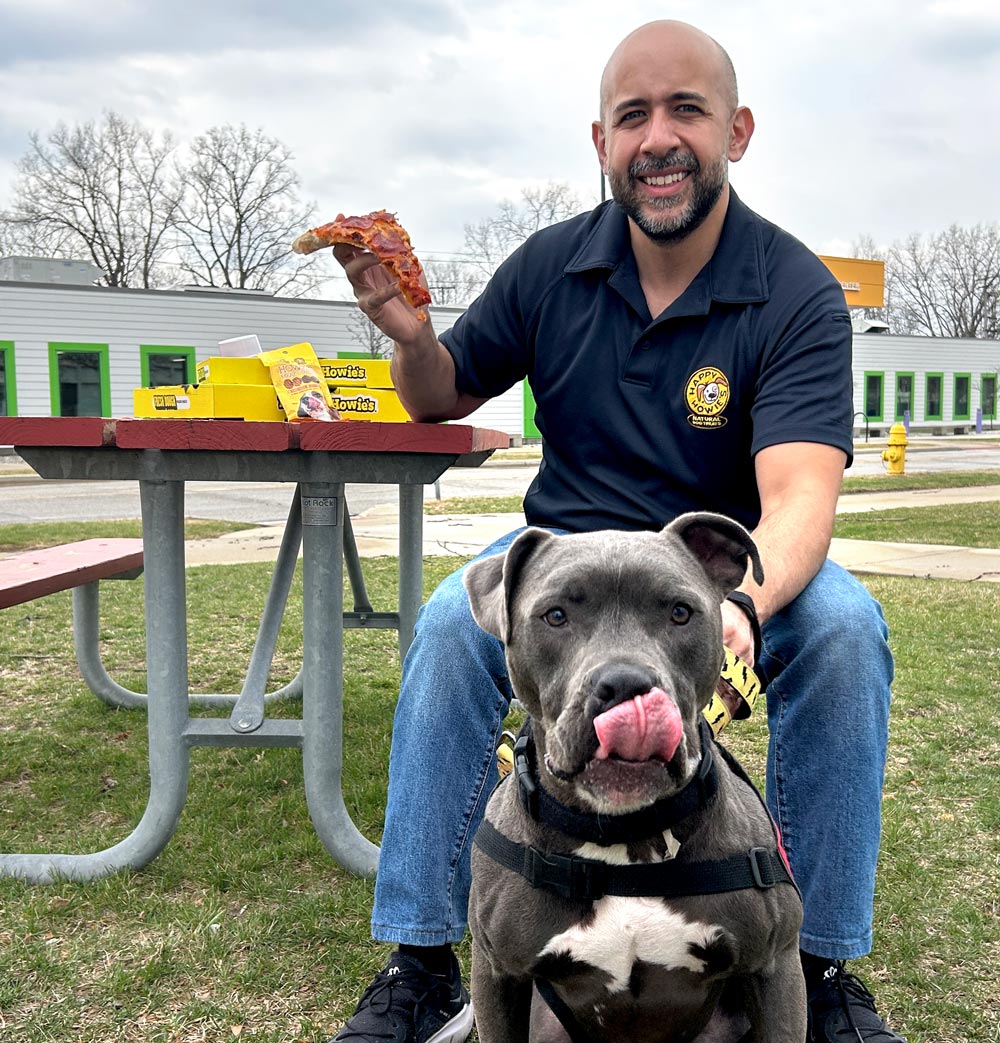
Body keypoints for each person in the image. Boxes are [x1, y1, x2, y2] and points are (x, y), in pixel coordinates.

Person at [329, 19, 904, 1043]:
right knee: (449, 628)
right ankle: (418, 956)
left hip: (713, 566)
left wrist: (741, 606)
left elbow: (802, 493)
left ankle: (819, 967)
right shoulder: (552, 266)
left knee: (847, 629)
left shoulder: (794, 289)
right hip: (573, 566)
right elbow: (436, 395)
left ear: (738, 128)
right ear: (599, 141)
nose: (657, 137)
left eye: (685, 108)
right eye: (631, 115)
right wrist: (410, 336)